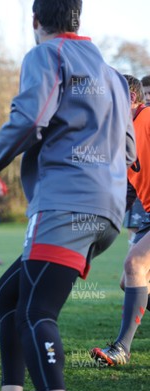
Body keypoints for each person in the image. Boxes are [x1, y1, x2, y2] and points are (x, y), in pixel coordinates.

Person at [0, 1, 135, 391]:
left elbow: (30, 118)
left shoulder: (48, 53)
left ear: (35, 20)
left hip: (66, 206)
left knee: (35, 312)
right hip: (107, 214)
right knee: (9, 295)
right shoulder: (112, 75)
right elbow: (128, 150)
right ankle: (11, 390)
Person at [90, 74, 150, 367]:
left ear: (132, 99)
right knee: (129, 284)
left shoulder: (148, 117)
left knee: (134, 265)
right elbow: (126, 186)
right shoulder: (120, 134)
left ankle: (122, 349)